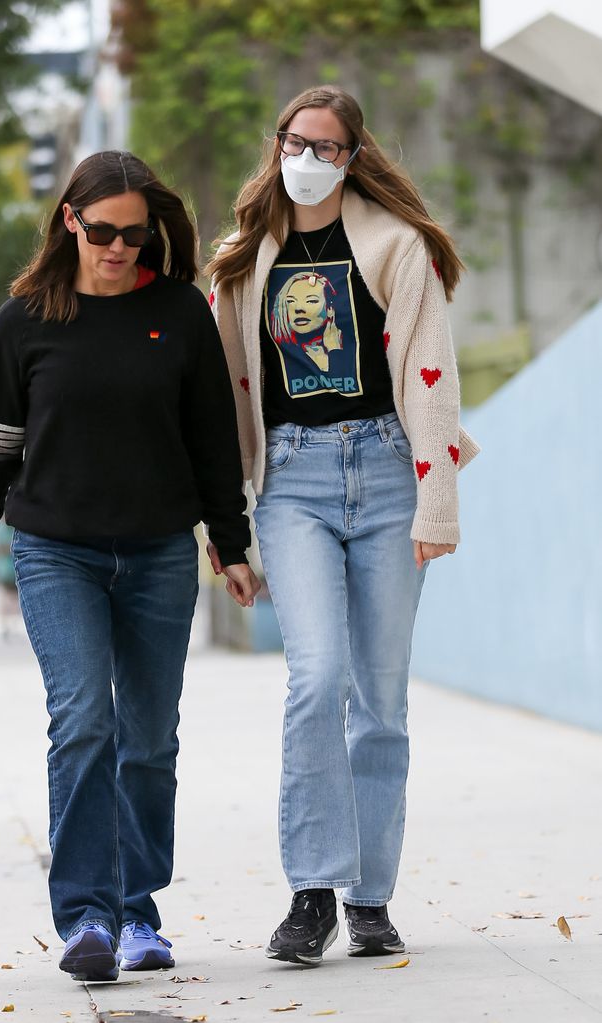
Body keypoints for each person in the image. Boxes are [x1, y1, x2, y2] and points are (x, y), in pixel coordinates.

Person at [0, 150, 260, 983]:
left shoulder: (179, 311)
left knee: (149, 740)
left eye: (135, 232)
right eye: (103, 231)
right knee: (84, 720)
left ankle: (137, 913)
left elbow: (209, 440)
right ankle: (87, 916)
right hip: (56, 552)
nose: (119, 246)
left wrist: (229, 546)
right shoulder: (23, 319)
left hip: (159, 552)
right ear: (69, 221)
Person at [206, 86, 479, 964]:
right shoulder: (244, 260)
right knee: (316, 678)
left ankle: (369, 896)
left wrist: (436, 502)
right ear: (275, 143)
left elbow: (430, 377)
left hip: (389, 470)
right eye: (295, 141)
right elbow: (221, 407)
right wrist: (228, 533)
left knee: (382, 702)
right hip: (292, 478)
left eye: (326, 147)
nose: (308, 158)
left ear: (353, 156)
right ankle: (311, 890)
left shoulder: (397, 245)